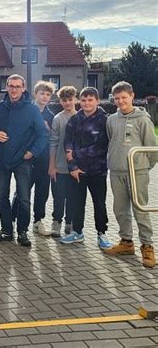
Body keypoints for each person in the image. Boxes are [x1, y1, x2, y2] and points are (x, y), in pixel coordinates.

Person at [0, 74, 49, 247]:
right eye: (11, 86)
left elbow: (43, 134)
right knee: (2, 197)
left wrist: (32, 152)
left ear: (23, 88)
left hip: (22, 160)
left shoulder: (32, 110)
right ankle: (6, 230)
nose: (14, 89)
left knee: (23, 198)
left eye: (17, 86)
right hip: (1, 160)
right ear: (6, 87)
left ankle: (23, 232)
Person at [104, 81, 157, 268]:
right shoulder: (111, 120)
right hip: (116, 171)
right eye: (117, 98)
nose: (120, 101)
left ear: (132, 96)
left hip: (137, 173)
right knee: (120, 209)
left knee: (140, 209)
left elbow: (152, 148)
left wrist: (142, 167)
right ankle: (126, 242)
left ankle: (147, 246)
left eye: (124, 98)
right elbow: (112, 141)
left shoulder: (143, 119)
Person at [60, 87, 112, 249]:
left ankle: (101, 233)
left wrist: (75, 153)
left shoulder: (105, 120)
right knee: (76, 203)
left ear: (97, 100)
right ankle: (77, 232)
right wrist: (72, 166)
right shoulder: (74, 120)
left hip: (98, 171)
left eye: (90, 100)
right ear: (79, 101)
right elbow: (67, 143)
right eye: (83, 100)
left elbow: (100, 146)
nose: (87, 103)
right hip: (77, 172)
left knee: (99, 204)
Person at [48, 86, 77, 237]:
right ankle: (56, 222)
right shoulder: (58, 118)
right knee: (58, 197)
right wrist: (52, 166)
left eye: (70, 100)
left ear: (75, 99)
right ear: (60, 101)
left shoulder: (80, 117)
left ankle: (69, 222)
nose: (67, 103)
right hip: (59, 166)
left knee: (72, 198)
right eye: (64, 100)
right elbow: (53, 142)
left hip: (74, 168)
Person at [31, 81, 55, 235]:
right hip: (27, 158)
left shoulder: (51, 115)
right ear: (35, 94)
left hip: (44, 159)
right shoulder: (27, 111)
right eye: (42, 93)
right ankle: (13, 221)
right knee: (22, 191)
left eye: (47, 94)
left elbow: (54, 137)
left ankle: (38, 221)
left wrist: (48, 129)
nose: (45, 97)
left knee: (42, 191)